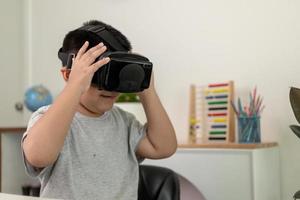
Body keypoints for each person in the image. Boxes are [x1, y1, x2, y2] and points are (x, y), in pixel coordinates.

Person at [21, 20, 177, 200]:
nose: (110, 88)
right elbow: (38, 156)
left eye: (116, 74)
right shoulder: (48, 118)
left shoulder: (125, 123)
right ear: (69, 75)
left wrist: (146, 88)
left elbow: (164, 147)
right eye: (97, 73)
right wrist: (75, 86)